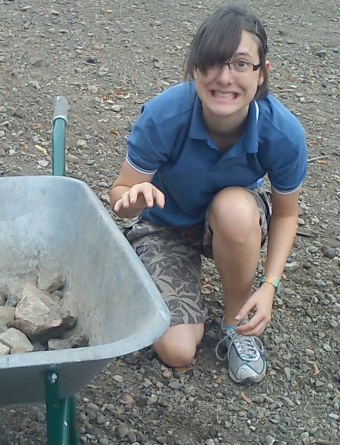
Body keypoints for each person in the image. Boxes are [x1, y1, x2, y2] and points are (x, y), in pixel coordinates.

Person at [109, 5, 307, 384]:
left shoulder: (283, 133)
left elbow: (285, 214)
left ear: (263, 73)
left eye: (241, 64)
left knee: (234, 207)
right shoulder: (165, 115)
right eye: (212, 64)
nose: (224, 78)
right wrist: (131, 199)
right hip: (165, 227)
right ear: (195, 69)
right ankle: (162, 278)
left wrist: (270, 286)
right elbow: (119, 193)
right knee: (178, 350)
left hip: (232, 221)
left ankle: (235, 324)